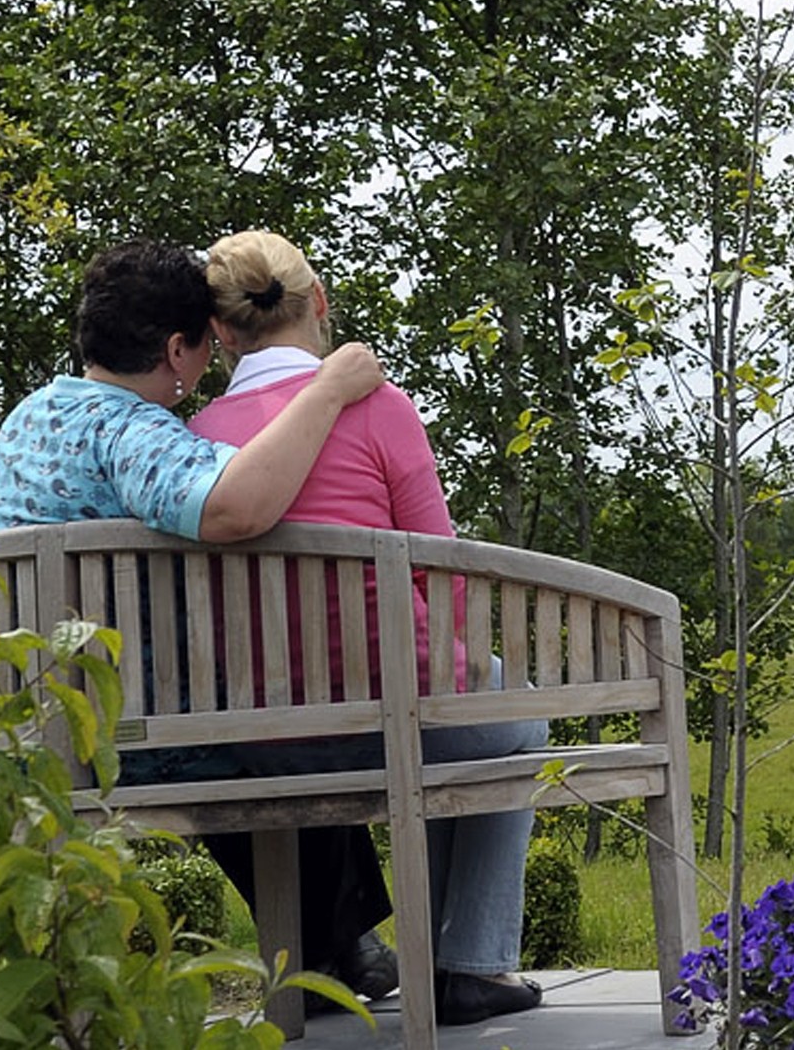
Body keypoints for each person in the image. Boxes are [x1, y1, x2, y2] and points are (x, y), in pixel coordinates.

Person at [0, 238, 397, 1005]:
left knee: (253, 722)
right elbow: (234, 506)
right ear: (176, 348)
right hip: (125, 737)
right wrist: (328, 391)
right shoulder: (131, 432)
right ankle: (344, 949)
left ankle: (344, 946)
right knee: (283, 734)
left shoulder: (27, 420)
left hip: (20, 719)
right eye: (205, 342)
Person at [190, 229, 548, 1027]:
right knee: (512, 711)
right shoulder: (377, 406)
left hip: (263, 732)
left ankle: (449, 963)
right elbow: (442, 564)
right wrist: (462, 665)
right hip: (402, 711)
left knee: (478, 712)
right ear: (318, 304)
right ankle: (466, 964)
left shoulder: (199, 435)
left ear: (220, 332)